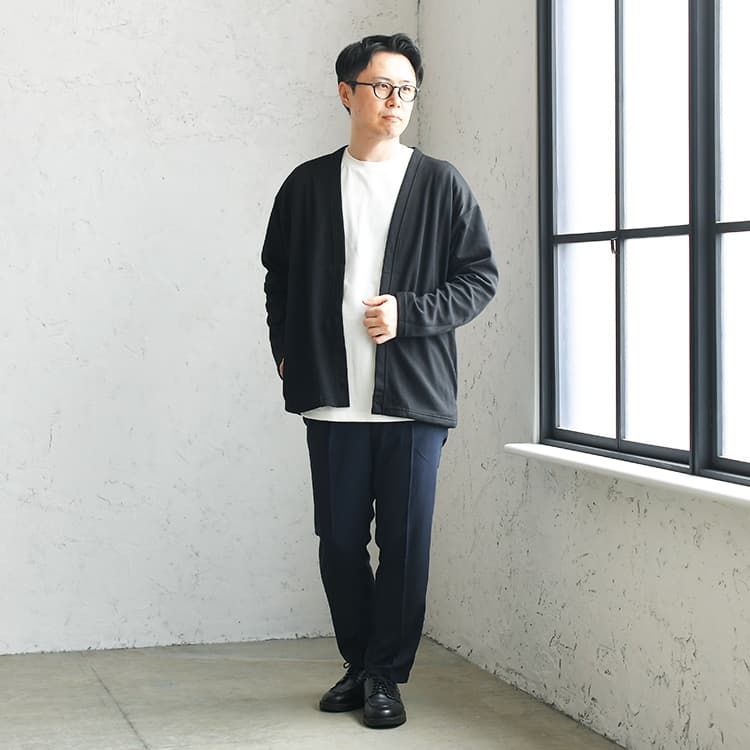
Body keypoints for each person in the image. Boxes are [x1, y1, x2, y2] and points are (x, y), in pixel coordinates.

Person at [261, 32, 497, 729]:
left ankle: (385, 676)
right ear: (347, 93)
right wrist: (285, 349)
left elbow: (479, 278)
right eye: (382, 87)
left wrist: (410, 313)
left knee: (405, 545)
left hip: (413, 402)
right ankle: (360, 664)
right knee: (338, 543)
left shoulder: (441, 183)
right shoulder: (306, 185)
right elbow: (278, 276)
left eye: (406, 90)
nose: (396, 101)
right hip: (332, 400)